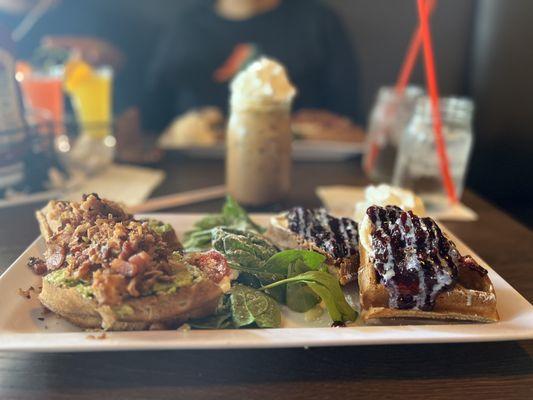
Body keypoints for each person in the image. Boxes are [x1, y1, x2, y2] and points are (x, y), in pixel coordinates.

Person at [139, 0, 361, 134]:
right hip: (189, 171)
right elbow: (152, 116)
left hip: (302, 170)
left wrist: (329, 125)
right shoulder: (186, 26)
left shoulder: (318, 21)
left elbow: (350, 119)